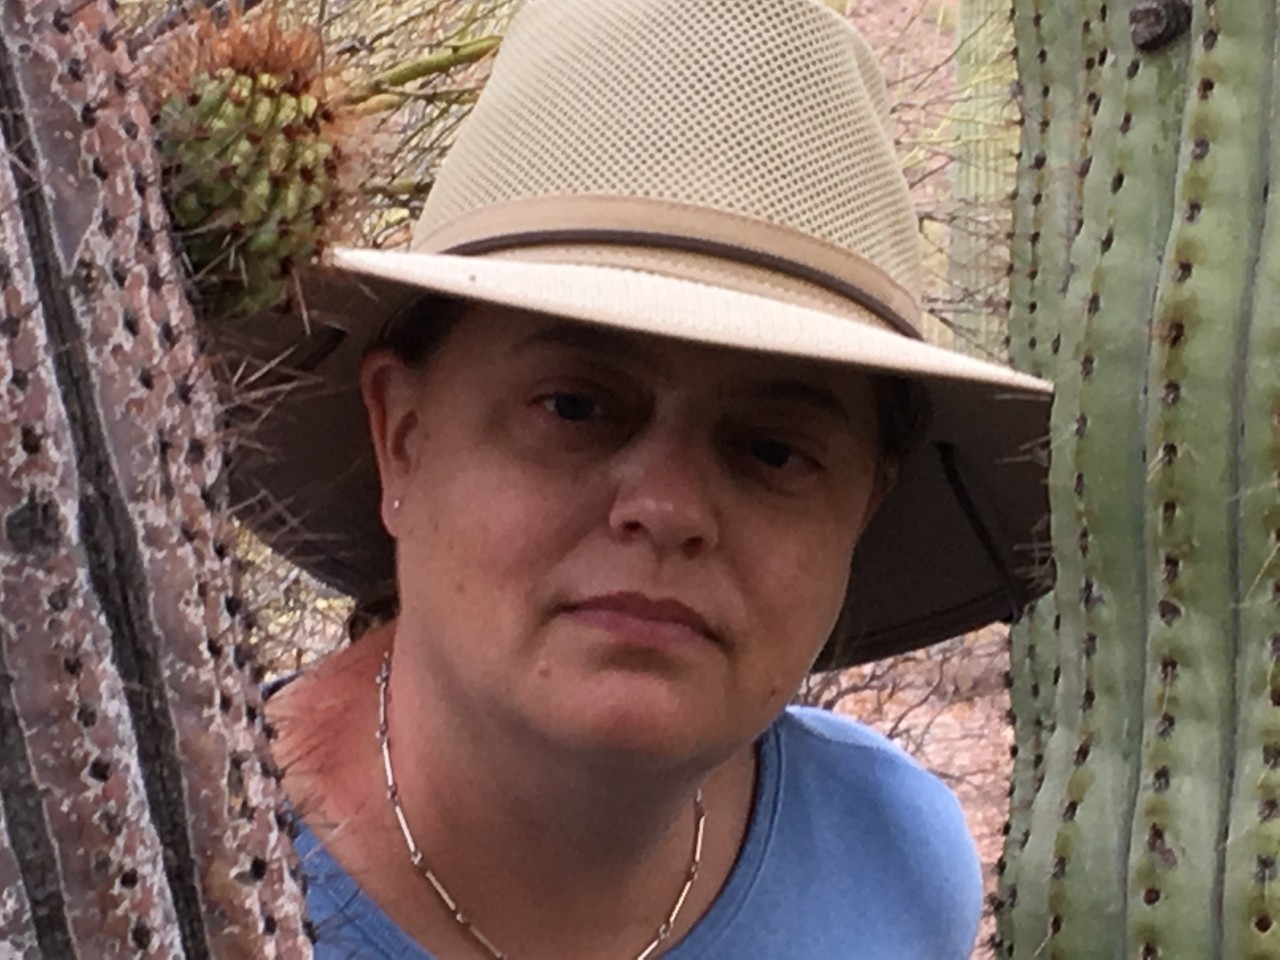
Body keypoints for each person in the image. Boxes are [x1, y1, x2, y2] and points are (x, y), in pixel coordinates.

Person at [245, 0, 1054, 957]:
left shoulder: (892, 869)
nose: (667, 510)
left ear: (862, 510)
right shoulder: (126, 870)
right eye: (576, 407)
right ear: (404, 439)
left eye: (772, 451)